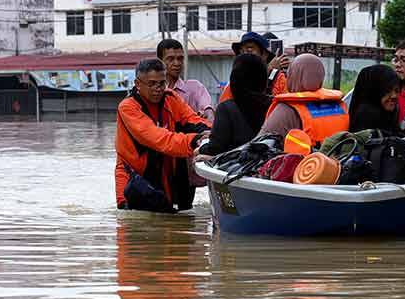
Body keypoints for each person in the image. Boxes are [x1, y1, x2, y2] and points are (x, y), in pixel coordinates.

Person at [115, 58, 211, 212]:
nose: (158, 88)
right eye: (152, 84)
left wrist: (215, 133)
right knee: (138, 230)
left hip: (164, 176)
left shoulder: (170, 98)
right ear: (138, 84)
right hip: (134, 183)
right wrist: (195, 140)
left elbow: (192, 120)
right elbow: (158, 139)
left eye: (161, 83)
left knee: (170, 225)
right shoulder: (128, 108)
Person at [259, 53, 349, 146]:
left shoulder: (286, 110)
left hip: (306, 160)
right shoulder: (340, 105)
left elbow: (258, 148)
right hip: (337, 159)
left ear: (293, 75)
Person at [199, 54, 272, 156]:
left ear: (235, 78)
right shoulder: (276, 106)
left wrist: (201, 147)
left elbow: (216, 148)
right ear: (263, 79)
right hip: (270, 168)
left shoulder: (226, 109)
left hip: (234, 169)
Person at [219, 32, 289, 103]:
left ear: (265, 54)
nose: (245, 55)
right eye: (242, 51)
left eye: (250, 50)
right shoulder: (234, 83)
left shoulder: (279, 79)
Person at [347, 64, 401, 133]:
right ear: (374, 91)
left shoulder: (389, 115)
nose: (394, 96)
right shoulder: (367, 120)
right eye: (387, 90)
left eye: (397, 91)